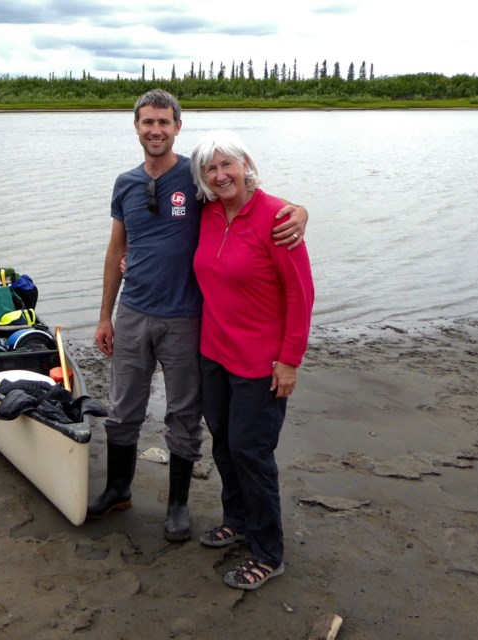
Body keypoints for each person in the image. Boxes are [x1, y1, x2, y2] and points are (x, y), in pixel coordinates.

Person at [90, 89, 309, 543]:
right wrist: (104, 315)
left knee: (184, 414)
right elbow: (116, 251)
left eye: (164, 123)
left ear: (177, 128)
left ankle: (177, 507)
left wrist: (301, 212)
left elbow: (246, 201)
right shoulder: (124, 183)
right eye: (147, 122)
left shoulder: (197, 177)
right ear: (135, 127)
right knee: (122, 408)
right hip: (133, 312)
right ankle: (117, 489)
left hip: (187, 319)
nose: (155, 130)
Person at [190, 129, 314, 590]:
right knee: (223, 440)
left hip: (261, 362)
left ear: (246, 165)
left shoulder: (277, 218)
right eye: (211, 168)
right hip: (214, 353)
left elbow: (301, 295)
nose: (221, 175)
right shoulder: (205, 214)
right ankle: (237, 519)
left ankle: (268, 551)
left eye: (228, 165)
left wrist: (290, 360)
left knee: (252, 451)